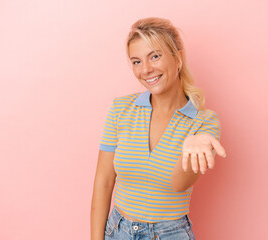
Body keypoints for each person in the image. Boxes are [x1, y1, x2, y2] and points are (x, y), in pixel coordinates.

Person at [90, 17, 226, 240]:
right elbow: (103, 183)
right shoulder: (121, 109)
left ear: (178, 58)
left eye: (155, 56)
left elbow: (179, 184)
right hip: (117, 231)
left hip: (169, 234)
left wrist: (190, 150)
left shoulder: (204, 122)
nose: (146, 70)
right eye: (136, 61)